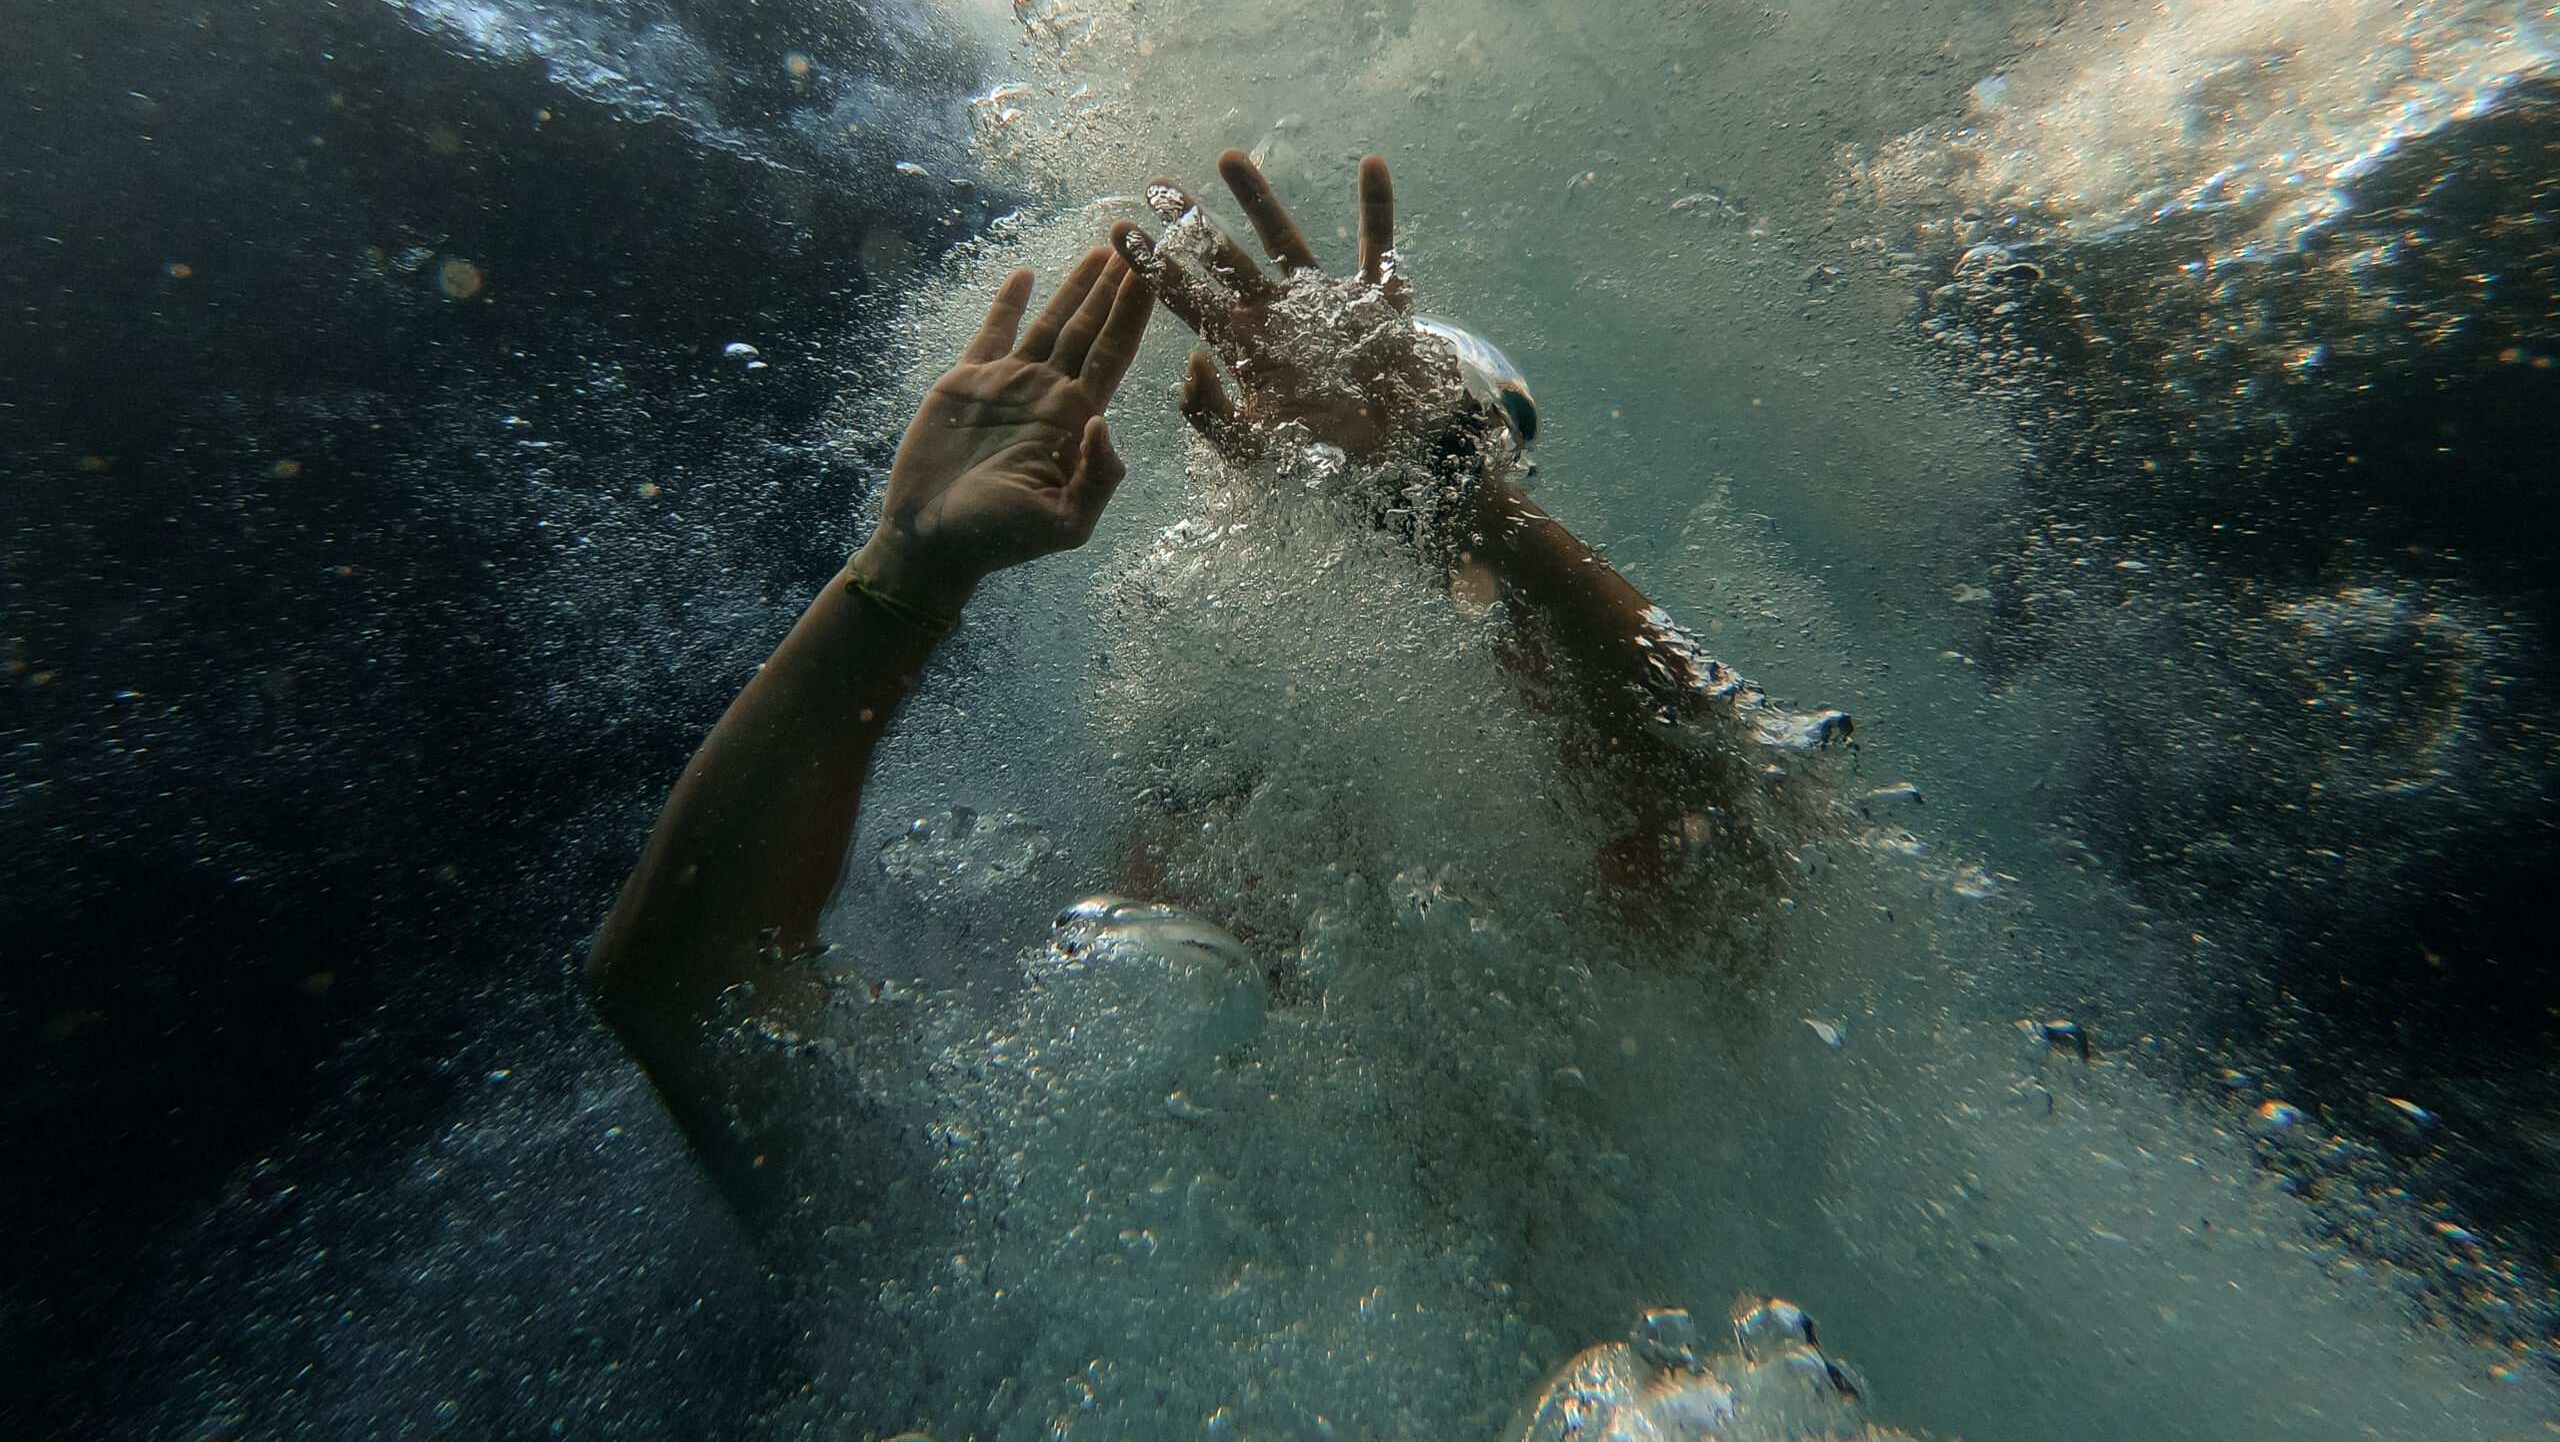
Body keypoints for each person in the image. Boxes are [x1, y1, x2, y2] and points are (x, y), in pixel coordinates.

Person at [588, 154, 1848, 1225]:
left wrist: (1464, 514)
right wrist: (901, 575)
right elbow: (681, 997)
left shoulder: (1603, 1087)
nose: (1272, 831)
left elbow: (1759, 831)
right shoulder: (1041, 1196)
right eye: (1213, 776)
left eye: (1428, 545)